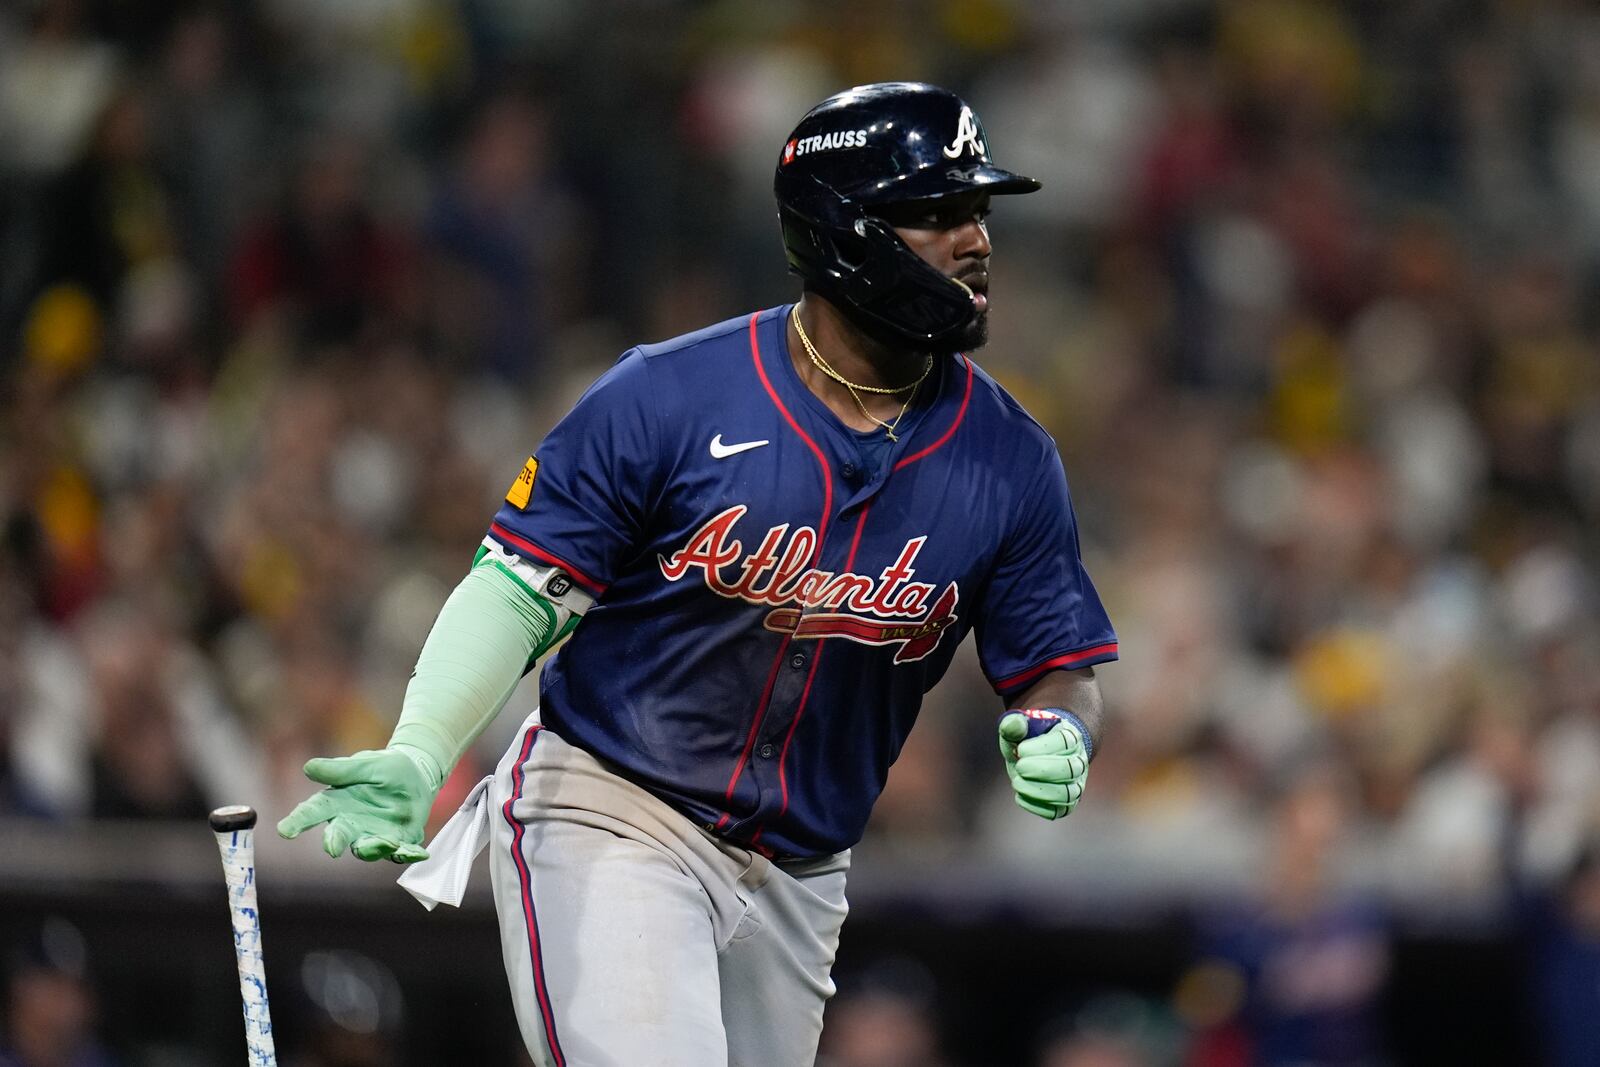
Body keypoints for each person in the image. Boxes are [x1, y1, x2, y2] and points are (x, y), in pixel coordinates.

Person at [279, 81, 1118, 1067]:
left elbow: (1058, 662)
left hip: (803, 872)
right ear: (844, 228)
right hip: (613, 807)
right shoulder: (667, 395)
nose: (975, 239)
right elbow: (522, 584)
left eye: (975, 212)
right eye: (937, 213)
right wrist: (422, 745)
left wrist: (1063, 724)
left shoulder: (1010, 457)